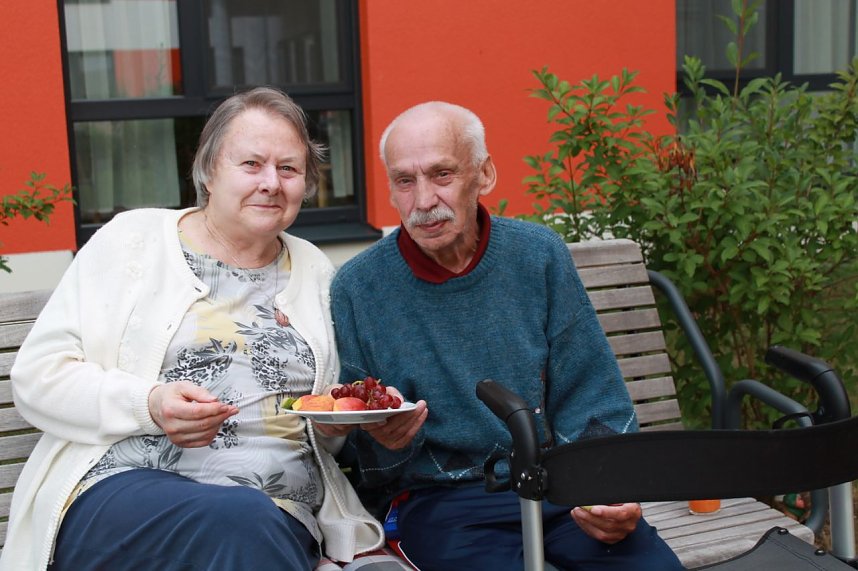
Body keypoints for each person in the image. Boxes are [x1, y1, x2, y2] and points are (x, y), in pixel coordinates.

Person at [1, 87, 385, 571]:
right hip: (125, 494)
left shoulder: (317, 272)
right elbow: (38, 379)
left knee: (252, 525)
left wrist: (346, 419)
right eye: (251, 164)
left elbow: (319, 430)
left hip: (276, 512)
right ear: (207, 169)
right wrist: (149, 405)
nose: (271, 182)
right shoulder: (131, 241)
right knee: (241, 524)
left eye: (288, 168)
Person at [324, 101, 685, 570]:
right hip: (441, 502)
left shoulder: (538, 257)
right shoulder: (359, 287)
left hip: (558, 487)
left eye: (442, 174)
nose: (424, 200)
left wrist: (606, 489)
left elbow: (591, 391)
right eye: (405, 181)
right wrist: (387, 440)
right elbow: (363, 456)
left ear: (485, 175)